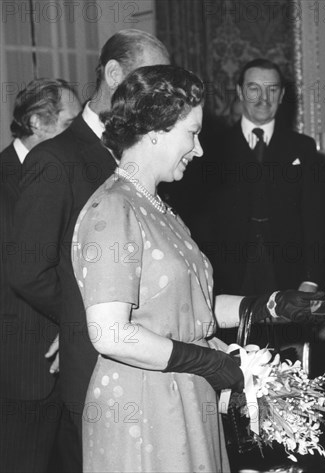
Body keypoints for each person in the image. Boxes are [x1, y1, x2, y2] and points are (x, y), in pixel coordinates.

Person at [71, 64, 325, 472]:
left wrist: (267, 305)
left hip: (185, 391)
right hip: (143, 402)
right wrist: (207, 362)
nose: (199, 149)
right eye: (192, 134)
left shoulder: (159, 207)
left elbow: (192, 307)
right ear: (155, 131)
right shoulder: (112, 209)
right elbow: (109, 333)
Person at [10, 29, 170, 470]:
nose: (159, 91)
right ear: (114, 74)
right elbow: (28, 270)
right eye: (149, 77)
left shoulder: (149, 149)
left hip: (140, 362)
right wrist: (85, 320)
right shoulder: (56, 158)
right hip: (85, 371)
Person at [185, 58, 325, 296]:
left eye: (272, 89)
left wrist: (312, 280)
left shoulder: (302, 148)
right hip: (226, 278)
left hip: (289, 277)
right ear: (241, 93)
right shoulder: (212, 148)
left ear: (282, 95)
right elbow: (200, 220)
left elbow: (316, 220)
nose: (264, 98)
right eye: (254, 89)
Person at [0, 78, 81, 472]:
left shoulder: (68, 172)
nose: (78, 136)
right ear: (37, 122)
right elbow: (23, 273)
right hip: (20, 371)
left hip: (74, 365)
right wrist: (72, 322)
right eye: (69, 124)